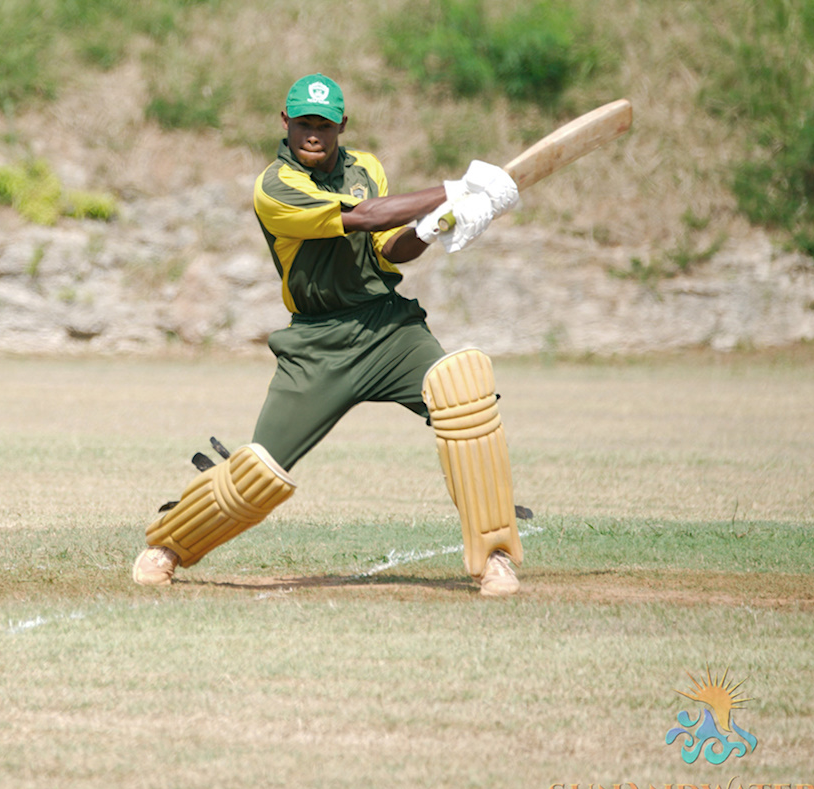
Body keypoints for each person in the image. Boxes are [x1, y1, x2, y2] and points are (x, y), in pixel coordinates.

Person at [132, 72, 526, 596]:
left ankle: (495, 559)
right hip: (318, 344)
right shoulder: (275, 185)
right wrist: (455, 190)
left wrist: (435, 226)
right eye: (303, 124)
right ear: (286, 123)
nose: (312, 134)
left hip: (389, 329)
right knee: (261, 472)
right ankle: (167, 546)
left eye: (323, 124)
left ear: (342, 123)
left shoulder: (366, 168)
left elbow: (388, 248)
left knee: (464, 396)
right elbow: (361, 218)